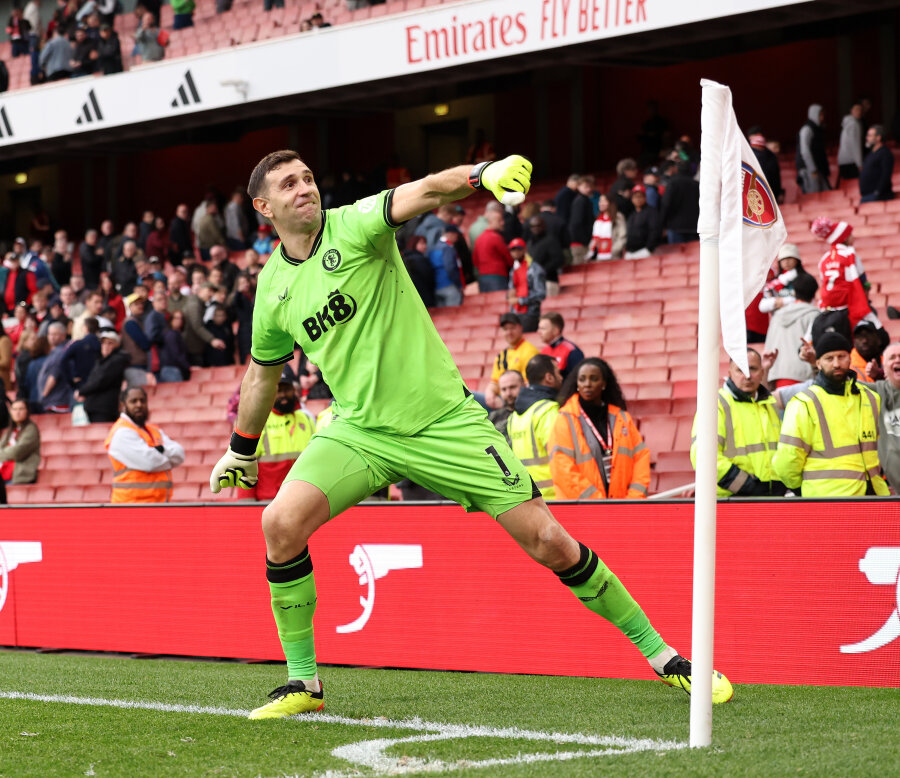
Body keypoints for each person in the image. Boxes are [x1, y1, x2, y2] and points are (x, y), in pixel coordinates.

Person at [208, 149, 732, 719]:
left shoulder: (355, 224)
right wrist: (241, 447)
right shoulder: (273, 287)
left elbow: (427, 191)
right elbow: (263, 370)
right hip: (359, 430)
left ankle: (666, 658)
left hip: (446, 424)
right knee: (279, 523)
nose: (305, 188)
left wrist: (482, 176)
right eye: (289, 184)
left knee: (550, 543)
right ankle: (303, 685)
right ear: (263, 207)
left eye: (309, 177)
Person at [773, 332, 888, 496]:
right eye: (829, 358)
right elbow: (786, 462)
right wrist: (805, 488)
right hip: (826, 501)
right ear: (818, 363)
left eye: (842, 356)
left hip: (872, 495)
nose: (836, 364)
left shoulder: (870, 398)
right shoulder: (803, 404)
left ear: (850, 359)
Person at [549, 358, 650, 500]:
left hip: (622, 508)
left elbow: (641, 459)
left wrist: (633, 499)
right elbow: (562, 468)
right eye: (582, 379)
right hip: (583, 510)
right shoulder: (565, 419)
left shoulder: (623, 418)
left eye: (594, 379)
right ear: (577, 384)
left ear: (604, 384)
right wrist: (597, 503)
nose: (587, 384)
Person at [691, 349, 786, 497]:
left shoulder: (769, 404)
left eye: (752, 369)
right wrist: (748, 486)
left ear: (762, 372)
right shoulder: (714, 405)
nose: (747, 375)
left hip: (771, 497)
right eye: (740, 370)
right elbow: (703, 457)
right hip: (732, 501)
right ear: (730, 373)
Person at [105, 386, 185, 503]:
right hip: (130, 506)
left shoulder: (153, 430)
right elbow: (149, 463)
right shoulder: (121, 432)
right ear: (123, 406)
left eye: (142, 401)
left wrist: (161, 450)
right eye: (133, 401)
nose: (139, 405)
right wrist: (170, 460)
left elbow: (180, 454)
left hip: (158, 505)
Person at [250, 367, 316, 501]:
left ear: (294, 390)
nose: (283, 395)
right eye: (278, 391)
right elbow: (245, 464)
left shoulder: (307, 419)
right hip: (270, 502)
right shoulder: (259, 422)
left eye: (286, 389)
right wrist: (246, 503)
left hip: (303, 500)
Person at [507, 354, 562, 500]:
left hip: (529, 497)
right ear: (549, 377)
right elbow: (560, 458)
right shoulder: (548, 410)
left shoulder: (514, 416)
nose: (562, 377)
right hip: (554, 497)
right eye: (558, 373)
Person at [764, 273, 819, 388]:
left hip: (777, 375)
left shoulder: (777, 315)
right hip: (804, 376)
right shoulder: (815, 315)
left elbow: (769, 346)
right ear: (814, 292)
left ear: (794, 292)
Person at [483, 312, 540, 410]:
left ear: (520, 328)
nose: (509, 332)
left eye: (512, 328)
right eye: (505, 329)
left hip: (516, 400)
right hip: (501, 399)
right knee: (470, 398)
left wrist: (506, 403)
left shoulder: (530, 351)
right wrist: (490, 394)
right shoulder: (502, 355)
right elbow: (495, 381)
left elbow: (528, 385)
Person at [76, 328, 131, 423]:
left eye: (110, 343)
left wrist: (82, 391)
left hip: (104, 409)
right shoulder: (101, 361)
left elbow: (101, 381)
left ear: (117, 345)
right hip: (93, 407)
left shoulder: (117, 360)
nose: (106, 346)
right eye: (104, 343)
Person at [868, 342, 900, 491]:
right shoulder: (877, 392)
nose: (897, 360)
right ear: (885, 369)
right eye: (892, 357)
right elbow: (844, 383)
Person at [0, 400, 41, 493]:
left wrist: (3, 453)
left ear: (27, 411)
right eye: (14, 409)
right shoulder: (10, 430)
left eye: (21, 409)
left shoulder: (31, 429)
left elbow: (17, 452)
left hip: (19, 477)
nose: (17, 412)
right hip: (3, 475)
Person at [507, 237, 545, 332]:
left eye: (518, 249)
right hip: (515, 313)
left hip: (530, 313)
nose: (516, 252)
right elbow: (511, 291)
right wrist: (509, 295)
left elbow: (541, 294)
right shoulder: (514, 270)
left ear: (524, 249)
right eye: (513, 249)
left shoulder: (534, 269)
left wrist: (520, 300)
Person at [471, 205, 513, 292]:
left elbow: (475, 261)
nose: (503, 223)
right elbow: (508, 258)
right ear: (491, 222)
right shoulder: (496, 238)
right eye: (499, 221)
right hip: (498, 277)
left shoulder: (479, 238)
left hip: (483, 277)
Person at [660, 161, 700, 244]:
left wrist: (662, 225)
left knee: (676, 255)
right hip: (694, 227)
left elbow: (666, 204)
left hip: (675, 227)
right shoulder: (697, 185)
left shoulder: (672, 183)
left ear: (677, 169)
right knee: (694, 256)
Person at [525, 214, 564, 298]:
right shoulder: (530, 243)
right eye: (532, 226)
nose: (535, 228)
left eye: (538, 225)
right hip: (533, 284)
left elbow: (559, 259)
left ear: (543, 226)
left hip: (549, 281)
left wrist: (542, 270)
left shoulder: (551, 240)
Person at [537, 312, 584, 380]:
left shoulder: (571, 351)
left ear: (556, 330)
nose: (538, 331)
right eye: (539, 328)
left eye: (543, 329)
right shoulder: (544, 350)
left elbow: (577, 378)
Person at [796, 104, 830, 194]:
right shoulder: (807, 129)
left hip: (818, 168)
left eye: (823, 115)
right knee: (814, 196)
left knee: (826, 193)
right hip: (809, 169)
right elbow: (805, 151)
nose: (822, 118)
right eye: (820, 115)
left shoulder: (818, 129)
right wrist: (812, 169)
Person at [428, 224, 463, 307]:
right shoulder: (447, 248)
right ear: (450, 234)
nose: (457, 239)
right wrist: (458, 284)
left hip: (437, 287)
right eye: (456, 236)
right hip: (449, 286)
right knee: (453, 315)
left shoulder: (433, 247)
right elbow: (450, 267)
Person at [859, 124, 895, 203]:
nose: (867, 138)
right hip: (867, 195)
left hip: (878, 196)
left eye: (870, 135)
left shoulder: (885, 153)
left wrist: (877, 192)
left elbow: (885, 175)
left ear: (878, 137)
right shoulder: (871, 153)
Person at [567, 175, 595, 266]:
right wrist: (585, 241)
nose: (589, 189)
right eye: (585, 187)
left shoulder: (585, 200)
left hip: (583, 241)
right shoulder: (580, 201)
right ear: (578, 187)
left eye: (590, 187)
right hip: (580, 243)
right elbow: (576, 223)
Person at [487, 369, 522, 440]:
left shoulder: (532, 413)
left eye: (512, 387)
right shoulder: (493, 417)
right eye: (504, 389)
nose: (508, 393)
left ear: (524, 385)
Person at [401, 235, 435, 308]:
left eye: (425, 243)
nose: (424, 246)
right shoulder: (419, 259)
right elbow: (428, 277)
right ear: (414, 244)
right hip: (423, 294)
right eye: (421, 243)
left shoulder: (405, 257)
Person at [837, 104, 864, 182]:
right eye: (856, 109)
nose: (859, 111)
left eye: (860, 109)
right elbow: (855, 145)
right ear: (851, 110)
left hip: (843, 161)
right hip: (851, 162)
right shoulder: (854, 124)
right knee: (854, 187)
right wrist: (859, 164)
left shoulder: (847, 122)